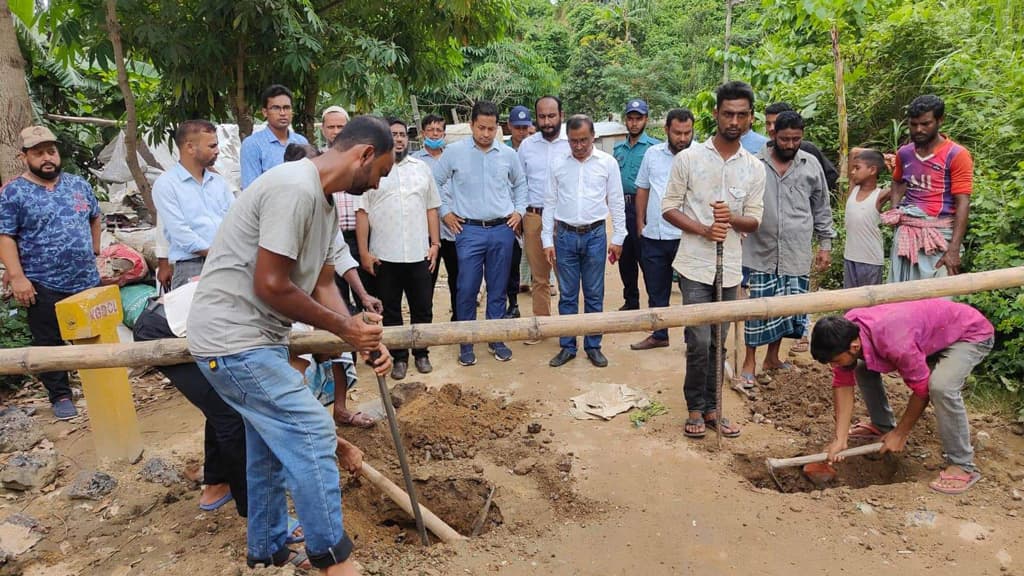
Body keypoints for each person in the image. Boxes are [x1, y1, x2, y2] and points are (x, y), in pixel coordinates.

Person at [187, 116, 394, 574]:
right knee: (312, 433)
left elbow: (322, 283)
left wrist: (355, 331)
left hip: (254, 340)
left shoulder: (320, 204)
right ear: (362, 155)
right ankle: (332, 559)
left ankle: (268, 551)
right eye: (380, 171)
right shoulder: (294, 188)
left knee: (266, 446)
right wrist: (344, 330)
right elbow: (271, 285)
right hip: (233, 340)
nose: (377, 182)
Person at [132, 282, 310, 544]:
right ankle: (263, 516)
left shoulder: (292, 305)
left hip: (192, 326)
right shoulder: (297, 322)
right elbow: (289, 393)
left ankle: (217, 484)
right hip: (165, 330)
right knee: (232, 415)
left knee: (224, 405)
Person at [662, 82, 765, 439]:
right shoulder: (689, 159)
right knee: (699, 340)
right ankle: (694, 406)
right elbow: (669, 208)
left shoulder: (754, 168)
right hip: (693, 265)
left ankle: (714, 409)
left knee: (719, 342)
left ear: (750, 118)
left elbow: (754, 220)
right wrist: (705, 229)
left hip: (731, 268)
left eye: (741, 115)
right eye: (727, 113)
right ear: (716, 114)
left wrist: (730, 219)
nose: (734, 121)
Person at [810, 299, 994, 495]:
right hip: (931, 334)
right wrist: (840, 438)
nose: (833, 366)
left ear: (854, 346)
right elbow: (843, 384)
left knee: (941, 386)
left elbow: (922, 391)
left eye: (835, 361)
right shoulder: (844, 333)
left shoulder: (895, 341)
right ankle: (882, 426)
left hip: (968, 334)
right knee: (862, 367)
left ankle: (962, 464)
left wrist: (901, 433)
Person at [0, 126, 102, 420]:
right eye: (38, 152)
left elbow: (95, 216)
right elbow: (5, 236)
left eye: (51, 151)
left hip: (85, 280)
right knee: (48, 341)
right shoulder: (13, 193)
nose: (47, 158)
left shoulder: (77, 185)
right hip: (42, 281)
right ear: (24, 157)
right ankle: (60, 396)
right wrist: (17, 276)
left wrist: (95, 251)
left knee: (94, 337)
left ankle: (100, 387)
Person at [283, 142, 381, 429]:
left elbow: (336, 257)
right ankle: (310, 425)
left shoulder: (326, 207)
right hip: (283, 304)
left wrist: (361, 299)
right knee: (297, 361)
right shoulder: (289, 201)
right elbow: (274, 282)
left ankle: (339, 410)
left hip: (312, 296)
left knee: (337, 346)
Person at [740, 111, 834, 386]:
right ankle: (749, 361)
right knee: (757, 308)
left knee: (786, 308)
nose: (791, 145)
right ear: (773, 135)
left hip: (796, 250)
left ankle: (773, 357)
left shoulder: (810, 164)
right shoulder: (753, 164)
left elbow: (821, 207)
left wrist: (825, 245)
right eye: (785, 139)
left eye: (796, 139)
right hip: (760, 250)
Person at [433, 101, 527, 366]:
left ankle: (496, 338)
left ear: (498, 127)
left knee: (498, 288)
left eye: (491, 128)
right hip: (469, 231)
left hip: (502, 229)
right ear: (471, 125)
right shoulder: (454, 153)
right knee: (467, 288)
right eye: (481, 128)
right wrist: (446, 212)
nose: (486, 133)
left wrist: (518, 211)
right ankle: (466, 342)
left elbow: (520, 184)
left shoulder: (508, 155)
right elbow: (435, 183)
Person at [355, 118, 441, 380]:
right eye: (394, 134)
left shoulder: (422, 169)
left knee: (422, 307)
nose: (400, 139)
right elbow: (362, 213)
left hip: (418, 252)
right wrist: (364, 252)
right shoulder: (372, 169)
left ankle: (421, 353)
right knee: (390, 310)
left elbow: (431, 208)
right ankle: (399, 357)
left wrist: (435, 244)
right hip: (385, 255)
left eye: (403, 134)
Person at [543, 114, 626, 368]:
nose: (578, 146)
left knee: (594, 294)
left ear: (594, 138)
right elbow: (549, 202)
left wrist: (619, 237)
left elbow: (616, 201)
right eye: (573, 141)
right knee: (567, 295)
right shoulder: (557, 163)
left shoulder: (607, 163)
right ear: (567, 139)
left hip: (595, 236)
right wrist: (547, 239)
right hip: (565, 236)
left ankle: (593, 345)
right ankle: (567, 346)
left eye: (584, 140)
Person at [888, 95, 974, 281]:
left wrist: (953, 249)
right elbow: (898, 181)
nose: (918, 129)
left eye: (925, 124)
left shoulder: (956, 155)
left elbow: (963, 202)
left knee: (938, 298)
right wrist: (895, 210)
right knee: (902, 296)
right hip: (907, 234)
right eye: (913, 124)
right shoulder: (905, 153)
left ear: (939, 120)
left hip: (939, 235)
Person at [631, 108, 695, 351]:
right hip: (655, 235)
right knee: (656, 289)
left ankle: (693, 340)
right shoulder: (652, 154)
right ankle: (659, 334)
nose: (682, 138)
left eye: (687, 133)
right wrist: (640, 223)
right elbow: (643, 188)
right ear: (666, 130)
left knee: (692, 292)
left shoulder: (699, 156)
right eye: (677, 132)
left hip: (687, 236)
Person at [153, 120, 235, 290]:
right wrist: (217, 253)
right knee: (194, 316)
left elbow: (235, 220)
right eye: (212, 146)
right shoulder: (166, 184)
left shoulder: (219, 182)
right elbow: (181, 233)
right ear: (190, 147)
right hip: (193, 266)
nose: (217, 151)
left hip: (228, 262)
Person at [517, 96, 569, 342]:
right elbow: (519, 183)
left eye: (552, 116)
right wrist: (520, 216)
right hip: (535, 217)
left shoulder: (573, 143)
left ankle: (567, 331)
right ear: (535, 118)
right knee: (539, 277)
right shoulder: (527, 146)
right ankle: (542, 327)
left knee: (566, 277)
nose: (547, 122)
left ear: (561, 115)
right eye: (542, 117)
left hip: (564, 219)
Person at [613, 99, 660, 311]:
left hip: (645, 209)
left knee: (647, 259)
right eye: (630, 119)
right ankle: (631, 301)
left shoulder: (654, 148)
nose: (634, 123)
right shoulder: (618, 148)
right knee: (626, 259)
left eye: (638, 119)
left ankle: (654, 304)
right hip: (623, 208)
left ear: (646, 120)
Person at [415, 115, 460, 322]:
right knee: (425, 281)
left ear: (444, 134)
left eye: (439, 130)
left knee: (457, 278)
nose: (435, 133)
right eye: (430, 130)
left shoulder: (453, 157)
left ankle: (458, 319)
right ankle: (425, 324)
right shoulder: (415, 161)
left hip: (454, 229)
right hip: (425, 232)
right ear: (423, 133)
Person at [240, 84, 309, 189]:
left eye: (286, 108)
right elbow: (250, 189)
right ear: (265, 112)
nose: (282, 113)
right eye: (276, 108)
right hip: (268, 204)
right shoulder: (252, 145)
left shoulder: (301, 141)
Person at [764, 102, 839, 192]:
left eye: (776, 123)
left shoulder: (807, 150)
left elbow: (831, 177)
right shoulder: (763, 154)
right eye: (768, 124)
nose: (771, 128)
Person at [843, 148, 890, 288]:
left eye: (857, 168)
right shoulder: (853, 189)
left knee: (869, 304)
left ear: (872, 170)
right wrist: (882, 155)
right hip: (850, 257)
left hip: (870, 260)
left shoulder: (879, 195)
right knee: (849, 302)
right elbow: (853, 152)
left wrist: (894, 161)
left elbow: (901, 184)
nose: (852, 172)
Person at [505, 105, 533, 318]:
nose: (522, 132)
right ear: (509, 127)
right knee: (510, 262)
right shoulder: (501, 151)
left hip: (531, 211)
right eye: (517, 127)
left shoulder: (536, 148)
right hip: (508, 216)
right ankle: (512, 303)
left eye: (525, 127)